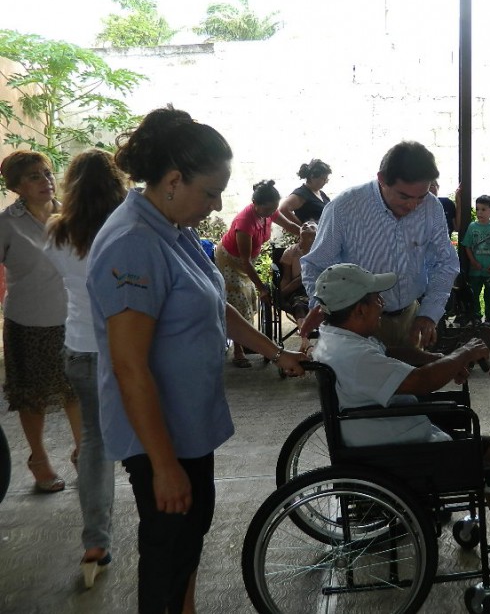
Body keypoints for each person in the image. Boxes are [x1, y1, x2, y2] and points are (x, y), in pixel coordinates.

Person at [86, 106, 307, 614]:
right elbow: (128, 366)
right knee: (167, 550)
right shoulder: (134, 245)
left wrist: (276, 351)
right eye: (210, 192)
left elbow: (217, 305)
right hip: (158, 436)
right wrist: (163, 466)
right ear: (171, 180)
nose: (217, 204)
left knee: (189, 538)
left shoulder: (175, 231)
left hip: (188, 423)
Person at [309, 262, 490, 593]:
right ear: (358, 310)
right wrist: (461, 356)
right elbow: (421, 381)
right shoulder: (355, 355)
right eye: (376, 300)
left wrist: (448, 358)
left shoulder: (340, 339)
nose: (382, 305)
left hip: (387, 434)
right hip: (397, 451)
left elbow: (396, 355)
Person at [44, 149, 127, 587]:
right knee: (145, 434)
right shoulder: (126, 231)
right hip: (126, 348)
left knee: (94, 443)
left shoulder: (56, 233)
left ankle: (95, 540)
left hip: (78, 347)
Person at [301, 140, 459, 350]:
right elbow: (316, 265)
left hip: (410, 317)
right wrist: (325, 308)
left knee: (412, 378)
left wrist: (429, 314)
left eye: (420, 197)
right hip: (357, 323)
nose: (413, 205)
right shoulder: (344, 207)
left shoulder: (431, 207)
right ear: (382, 179)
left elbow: (445, 262)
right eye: (404, 196)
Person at [0, 150, 80, 494]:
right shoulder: (7, 223)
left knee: (75, 390)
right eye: (34, 176)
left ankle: (84, 452)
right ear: (17, 185)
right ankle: (38, 459)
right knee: (33, 396)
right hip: (29, 322)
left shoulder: (70, 214)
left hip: (73, 319)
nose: (46, 181)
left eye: (47, 173)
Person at [214, 179, 281, 367]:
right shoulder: (245, 222)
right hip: (230, 260)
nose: (271, 213)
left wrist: (303, 232)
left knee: (249, 296)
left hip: (246, 261)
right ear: (256, 205)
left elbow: (287, 223)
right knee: (239, 300)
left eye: (274, 209)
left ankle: (246, 340)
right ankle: (238, 351)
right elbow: (245, 262)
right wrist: (263, 288)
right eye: (268, 210)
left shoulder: (269, 210)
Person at [462, 195, 490, 326]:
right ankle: (475, 316)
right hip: (475, 271)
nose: (479, 212)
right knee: (473, 295)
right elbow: (467, 246)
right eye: (478, 209)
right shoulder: (472, 227)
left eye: (483, 209)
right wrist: (473, 262)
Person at [278, 220, 318, 333]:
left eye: (312, 226)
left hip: (319, 287)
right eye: (304, 224)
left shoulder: (322, 252)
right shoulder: (291, 252)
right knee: (299, 304)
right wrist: (281, 295)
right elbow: (286, 277)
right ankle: (305, 336)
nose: (306, 225)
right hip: (298, 290)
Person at [275, 158, 332, 231]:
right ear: (312, 177)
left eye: (326, 179)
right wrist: (301, 228)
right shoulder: (302, 193)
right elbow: (283, 209)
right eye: (323, 179)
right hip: (313, 237)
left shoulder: (321, 193)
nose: (325, 182)